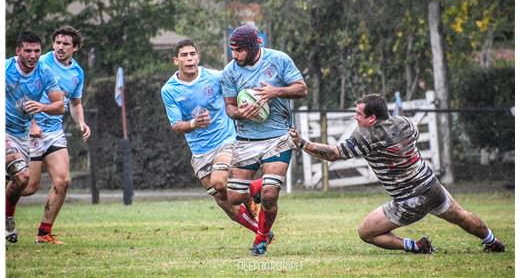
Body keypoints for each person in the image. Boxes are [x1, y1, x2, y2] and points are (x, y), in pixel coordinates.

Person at [289, 94, 505, 254]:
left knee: (366, 232)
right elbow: (413, 138)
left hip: (409, 199)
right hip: (431, 186)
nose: (355, 118)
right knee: (461, 216)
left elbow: (333, 154)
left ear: (372, 118)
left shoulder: (366, 137)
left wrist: (302, 143)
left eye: (359, 114)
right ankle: (492, 240)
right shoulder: (406, 123)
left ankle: (416, 246)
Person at [160, 39, 268, 242]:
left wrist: (251, 102)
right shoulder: (169, 90)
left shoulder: (215, 77)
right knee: (222, 199)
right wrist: (193, 123)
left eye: (192, 54)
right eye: (184, 55)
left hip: (226, 141)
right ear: (176, 60)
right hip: (200, 152)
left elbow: (238, 88)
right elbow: (176, 126)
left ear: (198, 57)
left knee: (219, 183)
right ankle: (260, 230)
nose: (189, 58)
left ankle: (253, 189)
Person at [222, 25, 307, 256]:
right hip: (246, 139)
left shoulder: (279, 60)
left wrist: (274, 92)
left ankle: (261, 239)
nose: (235, 55)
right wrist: (240, 113)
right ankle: (260, 185)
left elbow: (302, 89)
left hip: (278, 136)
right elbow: (229, 106)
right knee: (235, 197)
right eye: (233, 50)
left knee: (270, 196)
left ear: (254, 46)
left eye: (239, 50)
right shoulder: (230, 71)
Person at [20, 26, 90, 244]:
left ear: (75, 48)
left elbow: (75, 103)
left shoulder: (77, 72)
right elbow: (21, 94)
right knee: (29, 187)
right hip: (29, 130)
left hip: (54, 132)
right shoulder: (40, 62)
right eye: (57, 42)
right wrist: (32, 123)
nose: (60, 47)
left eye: (66, 44)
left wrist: (81, 122)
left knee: (63, 181)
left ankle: (44, 234)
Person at [5, 31, 64, 243]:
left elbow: (60, 105)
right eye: (28, 50)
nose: (33, 55)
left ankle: (7, 215)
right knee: (21, 176)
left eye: (37, 51)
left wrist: (42, 107)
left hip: (22, 135)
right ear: (18, 51)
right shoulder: (6, 69)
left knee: (24, 182)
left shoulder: (45, 72)